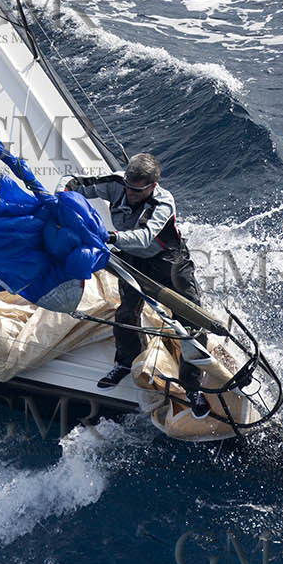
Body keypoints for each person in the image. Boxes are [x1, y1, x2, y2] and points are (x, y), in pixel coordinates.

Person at [66, 153, 204, 392]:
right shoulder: (116, 183)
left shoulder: (162, 202)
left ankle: (191, 384)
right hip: (132, 256)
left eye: (137, 191)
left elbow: (144, 237)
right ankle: (125, 362)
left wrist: (110, 237)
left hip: (168, 260)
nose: (130, 194)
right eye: (128, 187)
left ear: (152, 186)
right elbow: (73, 183)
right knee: (126, 312)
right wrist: (60, 199)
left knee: (190, 319)